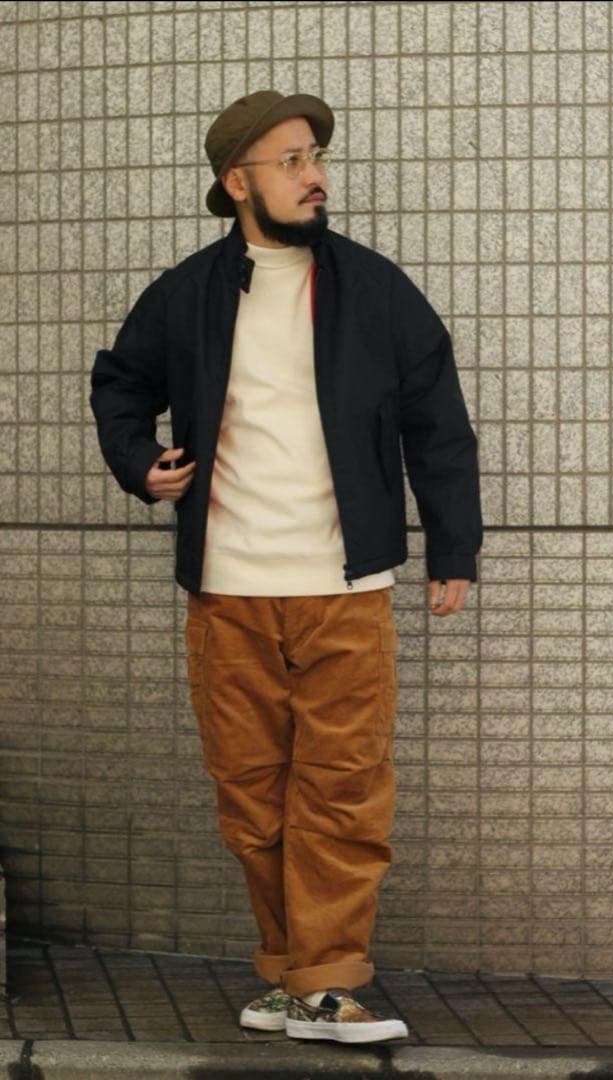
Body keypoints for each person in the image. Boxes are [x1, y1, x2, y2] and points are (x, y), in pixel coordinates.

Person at [89, 90, 483, 1044]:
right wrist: (140, 462)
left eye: (316, 157)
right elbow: (120, 382)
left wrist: (453, 546)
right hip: (227, 591)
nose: (316, 176)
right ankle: (293, 977)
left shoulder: (374, 289)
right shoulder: (187, 293)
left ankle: (330, 982)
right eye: (292, 160)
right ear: (239, 182)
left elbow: (437, 420)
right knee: (251, 799)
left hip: (344, 590)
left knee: (343, 792)